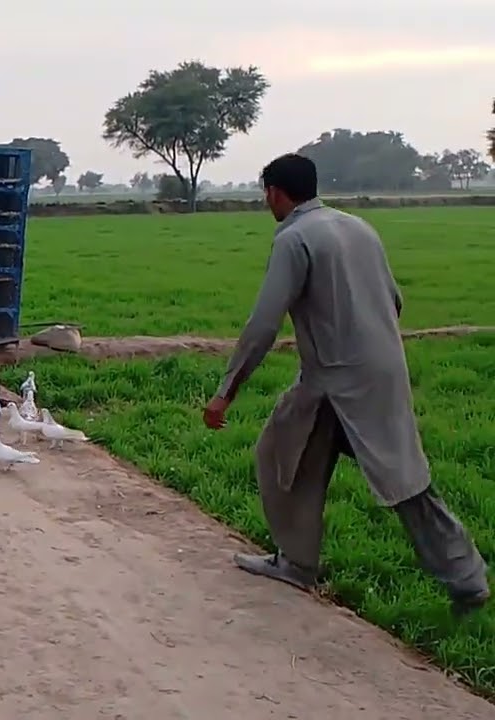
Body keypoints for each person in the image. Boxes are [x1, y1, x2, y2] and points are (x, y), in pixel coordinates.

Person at [203, 153, 489, 616]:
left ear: (274, 193)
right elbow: (394, 301)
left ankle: (297, 564)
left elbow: (263, 325)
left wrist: (225, 391)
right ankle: (465, 576)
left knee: (290, 458)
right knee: (384, 475)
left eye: (265, 195)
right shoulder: (358, 227)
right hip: (375, 372)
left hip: (338, 379)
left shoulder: (293, 238)